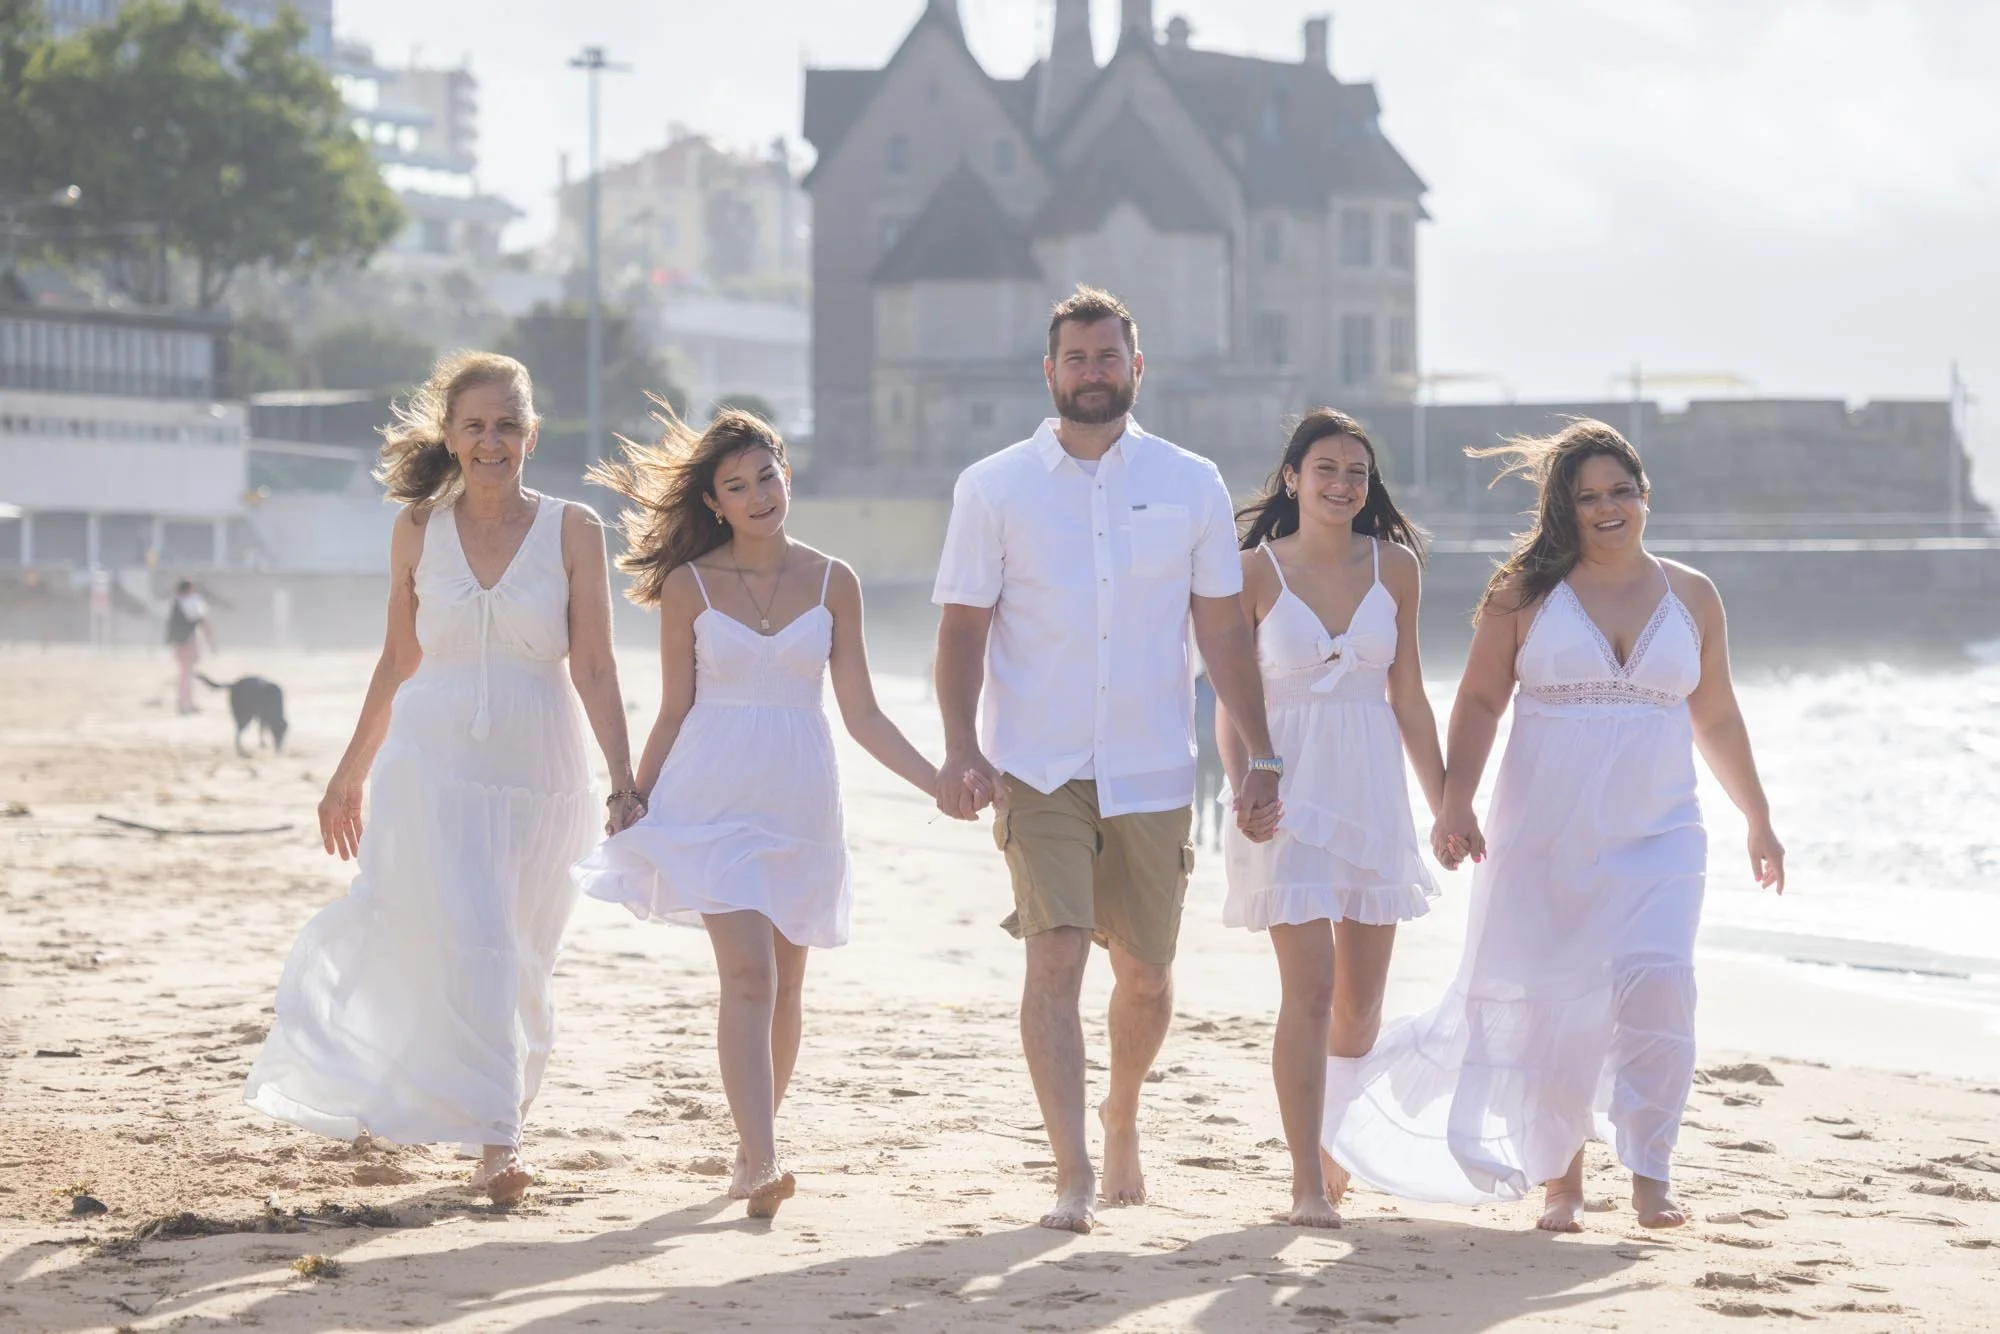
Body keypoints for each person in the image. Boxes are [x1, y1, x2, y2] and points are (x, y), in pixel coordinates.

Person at [1323, 419, 1786, 1231]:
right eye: (1588, 497)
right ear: (1564, 509)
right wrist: (1455, 802)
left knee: (1661, 986)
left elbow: (1715, 713)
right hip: (1542, 834)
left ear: (1645, 496)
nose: (1608, 508)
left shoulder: (1692, 596)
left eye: (1621, 492)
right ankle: (1560, 1181)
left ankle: (1651, 1169)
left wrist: (1758, 816)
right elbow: (1478, 700)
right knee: (1549, 1005)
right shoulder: (1524, 594)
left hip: (1661, 834)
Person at [244, 352, 640, 1206]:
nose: (492, 441)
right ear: (451, 438)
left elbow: (597, 667)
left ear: (532, 435)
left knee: (524, 958)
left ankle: (492, 1106)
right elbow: (398, 658)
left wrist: (624, 781)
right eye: (475, 426)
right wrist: (348, 774)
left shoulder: (575, 529)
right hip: (432, 765)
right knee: (481, 940)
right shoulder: (418, 528)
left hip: (543, 772)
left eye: (507, 426)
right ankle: (500, 1144)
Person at [933, 286, 1282, 1235]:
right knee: (1053, 959)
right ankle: (1073, 1173)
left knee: (1147, 976)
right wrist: (961, 746)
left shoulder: (1191, 481)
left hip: (1153, 767)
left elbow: (1223, 632)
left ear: (1137, 367)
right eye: (1077, 359)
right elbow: (962, 630)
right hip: (1035, 766)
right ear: (1050, 372)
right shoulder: (993, 487)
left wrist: (1261, 756)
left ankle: (1121, 1110)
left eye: (1109, 357)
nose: (1094, 373)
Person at [573, 408, 946, 1221]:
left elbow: (864, 714)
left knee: (786, 986)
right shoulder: (690, 585)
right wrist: (631, 793)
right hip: (712, 798)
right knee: (749, 976)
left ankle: (750, 1148)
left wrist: (938, 781)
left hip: (801, 802)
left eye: (766, 477)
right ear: (714, 503)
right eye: (736, 487)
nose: (758, 496)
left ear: (787, 474)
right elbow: (675, 707)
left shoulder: (834, 580)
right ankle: (766, 1158)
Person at [1216, 409, 1445, 1229]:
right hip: (1286, 790)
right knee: (1310, 991)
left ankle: (1334, 1140)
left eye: (1357, 472)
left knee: (1360, 1008)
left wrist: (1448, 801)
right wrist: (1247, 782)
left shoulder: (1397, 568)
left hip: (1372, 789)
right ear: (1293, 479)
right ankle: (1305, 1180)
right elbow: (1233, 698)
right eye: (1326, 469)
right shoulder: (1251, 571)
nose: (1343, 484)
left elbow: (1408, 697)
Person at [165, 578, 214, 714]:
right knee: (186, 673)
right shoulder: (192, 601)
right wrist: (210, 640)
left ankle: (184, 702)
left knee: (184, 672)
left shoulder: (176, 602)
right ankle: (185, 704)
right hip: (188, 640)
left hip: (178, 641)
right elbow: (203, 620)